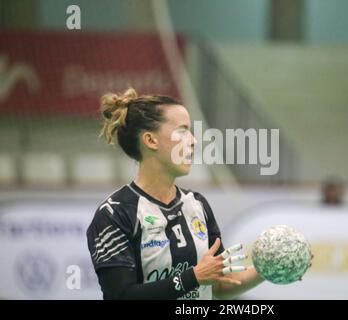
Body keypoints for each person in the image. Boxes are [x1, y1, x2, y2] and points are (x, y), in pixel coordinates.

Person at [86, 88, 268, 300]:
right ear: (151, 140)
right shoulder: (114, 213)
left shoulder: (197, 205)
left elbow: (219, 285)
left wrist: (268, 269)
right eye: (182, 131)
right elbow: (122, 295)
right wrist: (193, 277)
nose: (193, 141)